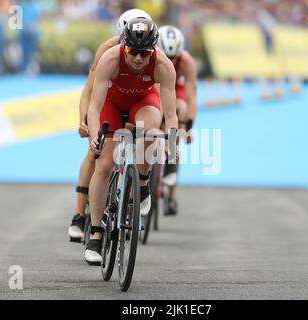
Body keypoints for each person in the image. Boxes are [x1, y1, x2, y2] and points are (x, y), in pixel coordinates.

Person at [84, 17, 178, 264]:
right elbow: (94, 108)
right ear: (124, 46)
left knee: (150, 131)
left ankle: (143, 182)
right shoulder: (110, 59)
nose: (138, 58)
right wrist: (96, 136)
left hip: (143, 102)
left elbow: (170, 115)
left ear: (153, 51)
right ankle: (96, 233)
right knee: (103, 164)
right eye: (133, 52)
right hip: (111, 105)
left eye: (144, 53)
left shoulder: (164, 66)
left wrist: (172, 143)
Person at [68, 8, 152, 242]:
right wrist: (83, 118)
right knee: (96, 153)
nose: (138, 53)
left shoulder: (150, 53)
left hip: (135, 101)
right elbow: (90, 88)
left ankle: (128, 203)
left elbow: (156, 93)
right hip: (107, 100)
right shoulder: (107, 50)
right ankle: (79, 215)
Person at [157, 25, 198, 216]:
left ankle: (171, 196)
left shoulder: (187, 62)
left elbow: (191, 98)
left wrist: (188, 125)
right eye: (167, 56)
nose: (171, 61)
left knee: (180, 110)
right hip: (155, 87)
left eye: (175, 57)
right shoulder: (151, 57)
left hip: (176, 90)